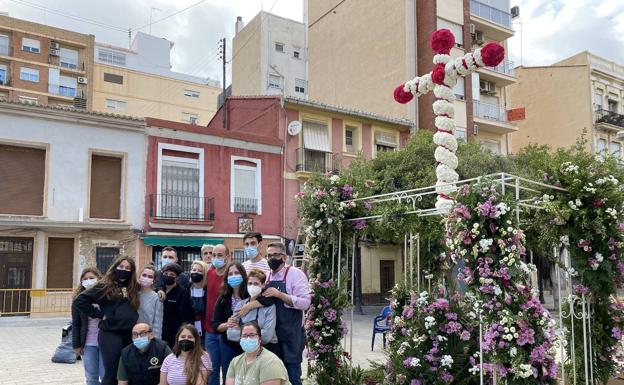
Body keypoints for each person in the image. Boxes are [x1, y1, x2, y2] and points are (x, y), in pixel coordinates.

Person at [236, 243, 311, 385]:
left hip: (291, 334)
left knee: (292, 375)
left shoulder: (296, 274)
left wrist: (280, 295)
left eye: (275, 255)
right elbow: (265, 300)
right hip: (272, 337)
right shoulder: (267, 277)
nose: (272, 258)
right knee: (273, 376)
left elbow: (305, 303)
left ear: (284, 257)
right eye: (269, 255)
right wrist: (250, 306)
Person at [75, 256, 140, 385]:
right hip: (110, 334)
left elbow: (152, 283)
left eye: (128, 268)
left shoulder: (133, 286)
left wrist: (160, 289)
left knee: (127, 371)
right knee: (112, 372)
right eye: (121, 267)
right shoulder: (104, 285)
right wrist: (99, 314)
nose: (124, 270)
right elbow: (80, 300)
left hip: (129, 334)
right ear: (115, 267)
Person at [212, 262, 249, 383]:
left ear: (243, 275)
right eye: (230, 274)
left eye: (237, 273)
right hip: (228, 344)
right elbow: (215, 324)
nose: (234, 276)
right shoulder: (223, 297)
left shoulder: (251, 294)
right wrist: (227, 324)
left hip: (249, 342)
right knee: (229, 375)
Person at [225, 321, 290, 385]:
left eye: (252, 335)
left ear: (259, 338)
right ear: (240, 339)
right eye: (244, 335)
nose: (248, 338)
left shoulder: (271, 362)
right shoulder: (235, 361)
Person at [226, 269, 277, 351]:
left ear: (263, 285)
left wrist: (240, 330)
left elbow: (267, 337)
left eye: (256, 284)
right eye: (250, 283)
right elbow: (230, 334)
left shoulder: (269, 307)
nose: (252, 286)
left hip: (267, 349)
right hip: (244, 350)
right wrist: (257, 333)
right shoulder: (240, 305)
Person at [72, 267, 104, 385]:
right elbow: (76, 323)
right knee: (91, 377)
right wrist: (76, 345)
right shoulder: (78, 300)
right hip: (88, 343)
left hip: (105, 342)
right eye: (85, 279)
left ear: (99, 279)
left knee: (105, 375)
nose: (88, 281)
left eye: (91, 278)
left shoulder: (105, 296)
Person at [204, 244, 231, 385]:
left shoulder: (231, 277)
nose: (215, 258)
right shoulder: (209, 274)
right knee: (211, 370)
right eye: (214, 255)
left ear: (228, 257)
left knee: (228, 369)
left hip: (227, 330)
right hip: (210, 330)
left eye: (219, 255)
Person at [161, 263, 194, 349]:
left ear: (177, 277)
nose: (168, 276)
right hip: (160, 332)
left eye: (172, 274)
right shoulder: (159, 290)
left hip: (175, 334)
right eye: (166, 274)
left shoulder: (183, 292)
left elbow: (186, 316)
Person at [137, 265, 163, 339]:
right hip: (132, 334)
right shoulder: (133, 294)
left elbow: (158, 323)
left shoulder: (157, 297)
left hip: (147, 336)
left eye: (150, 276)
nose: (146, 278)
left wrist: (156, 340)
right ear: (139, 276)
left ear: (153, 280)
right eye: (144, 275)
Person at [188, 260, 209, 344]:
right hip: (189, 329)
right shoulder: (186, 289)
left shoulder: (208, 291)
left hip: (205, 330)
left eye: (200, 271)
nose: (196, 272)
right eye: (194, 270)